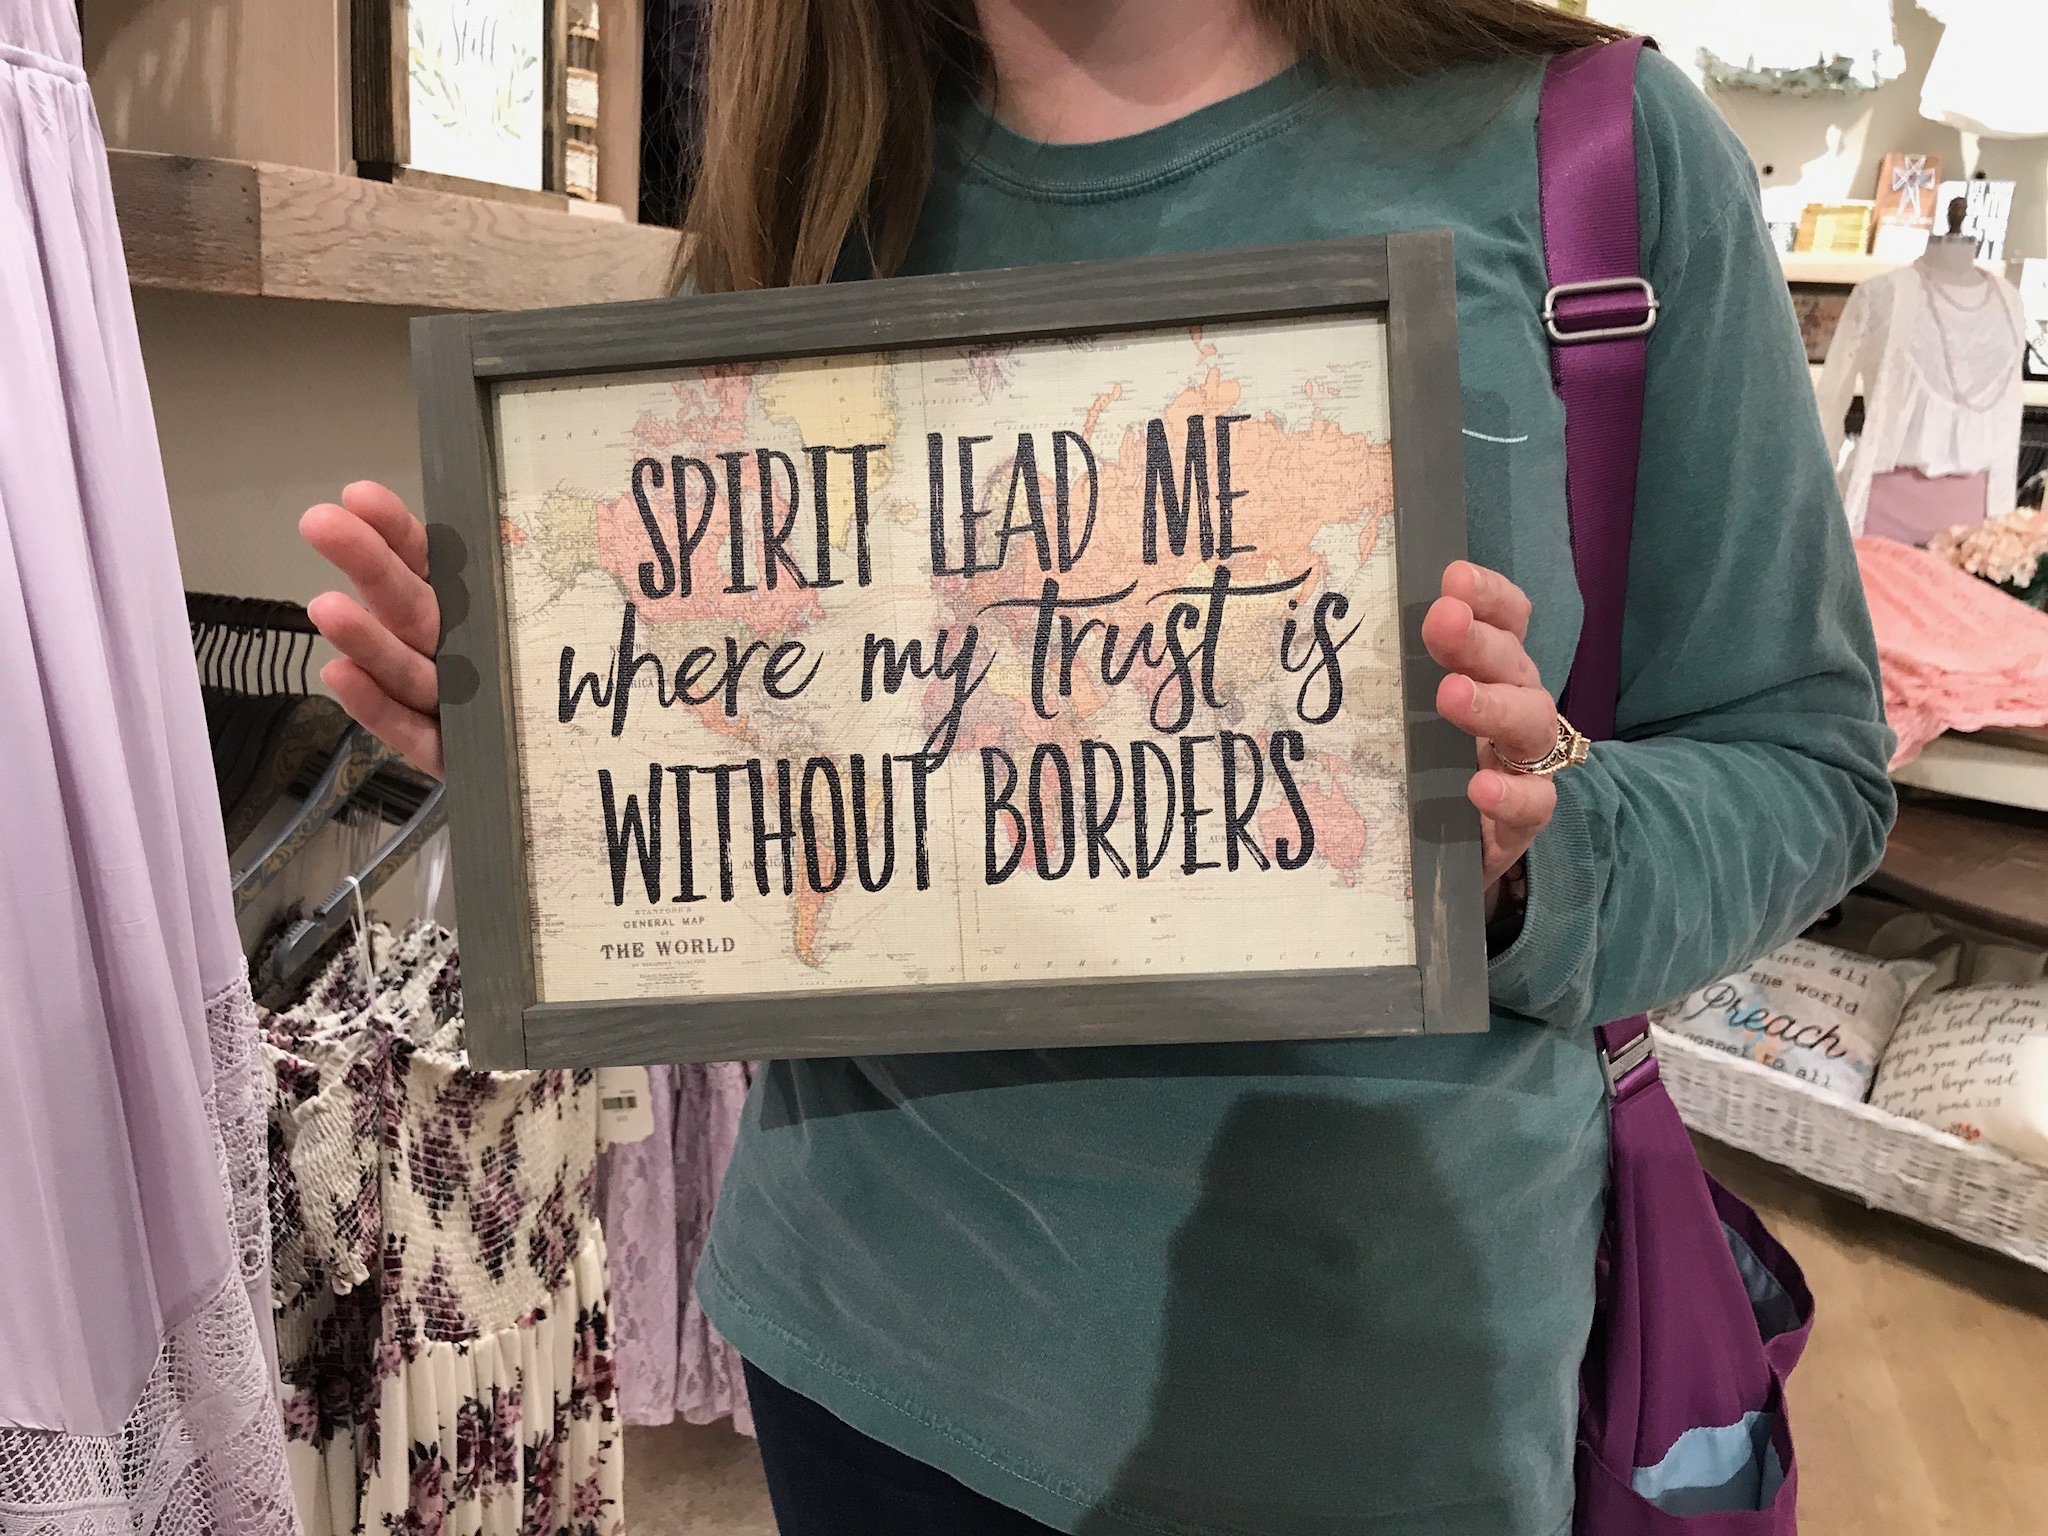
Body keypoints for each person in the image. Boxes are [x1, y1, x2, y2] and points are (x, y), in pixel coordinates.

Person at [300, 2, 1896, 1532]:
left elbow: (1806, 766)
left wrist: (1532, 850)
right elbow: (808, 753)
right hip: (856, 1362)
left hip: (1377, 1426)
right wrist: (573, 751)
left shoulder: (1598, 152)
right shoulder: (813, 190)